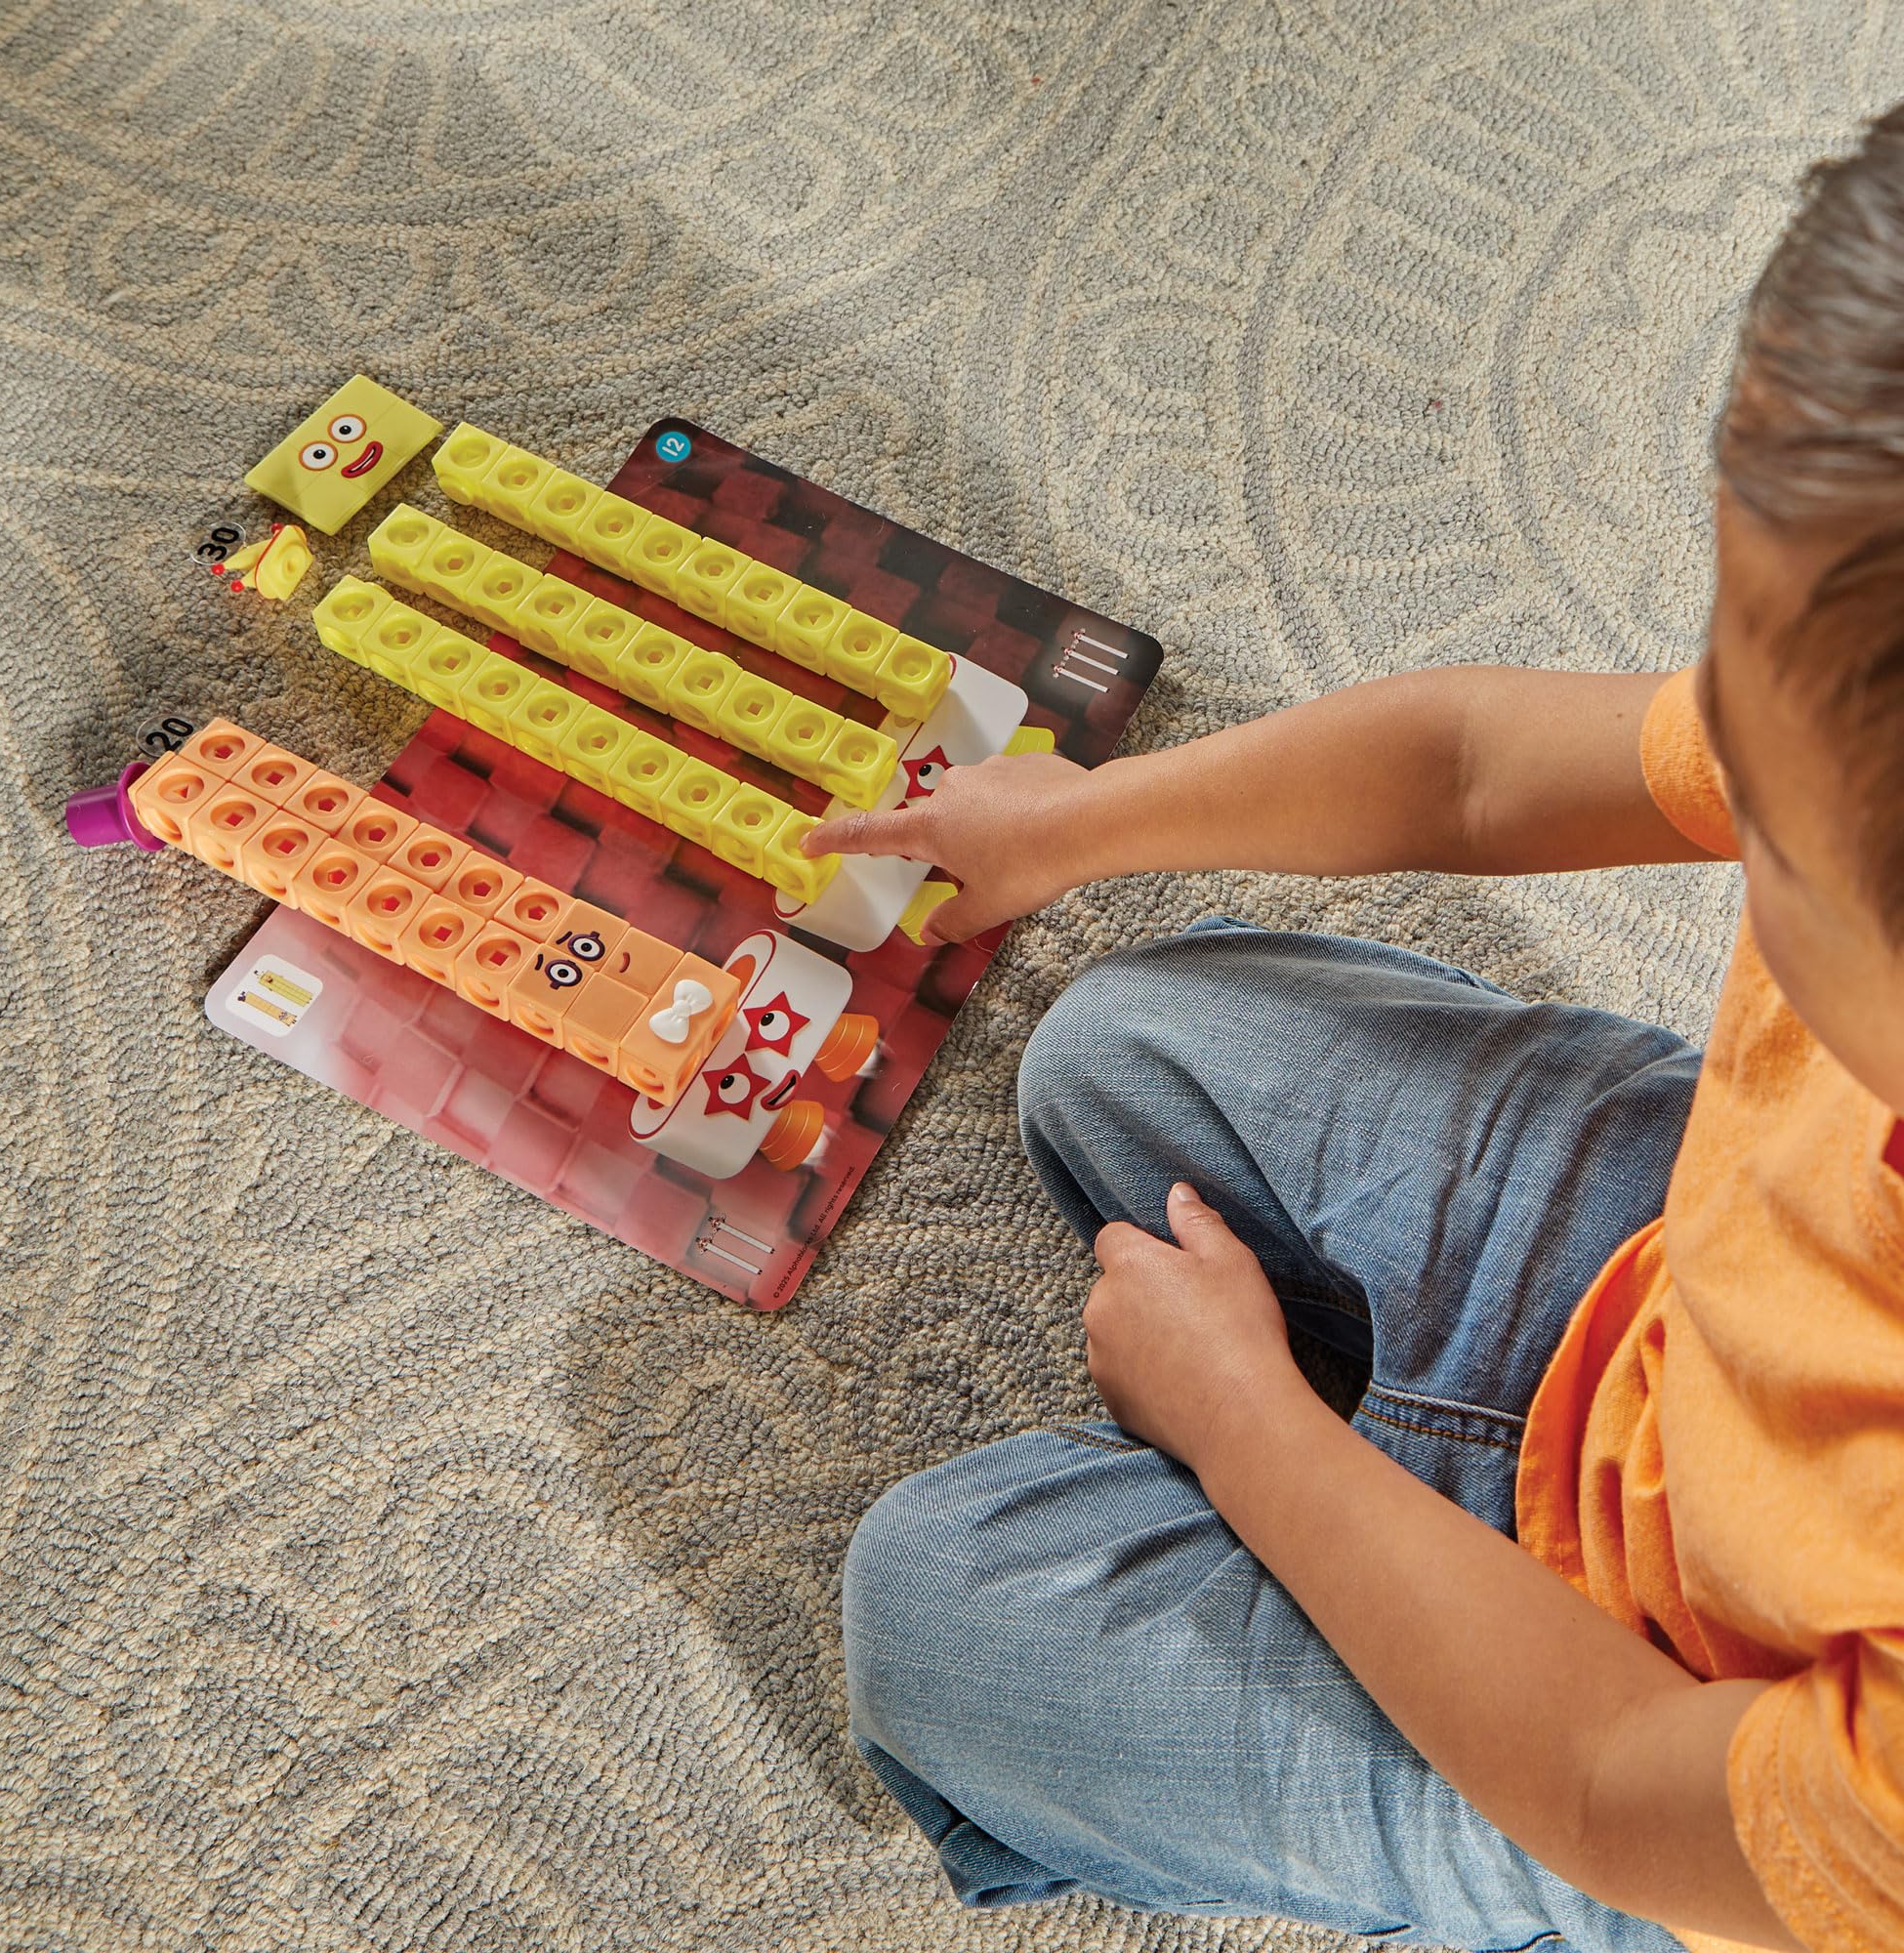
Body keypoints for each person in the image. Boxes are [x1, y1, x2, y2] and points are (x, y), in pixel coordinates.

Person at [805, 105, 1904, 1953]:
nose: (1725, 795)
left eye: (1766, 837)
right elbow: (1474, 769)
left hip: (1664, 1728)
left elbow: (1609, 1777)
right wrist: (1073, 824)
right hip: (1674, 1286)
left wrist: (1248, 1427)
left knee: (933, 1609)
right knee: (1121, 1043)